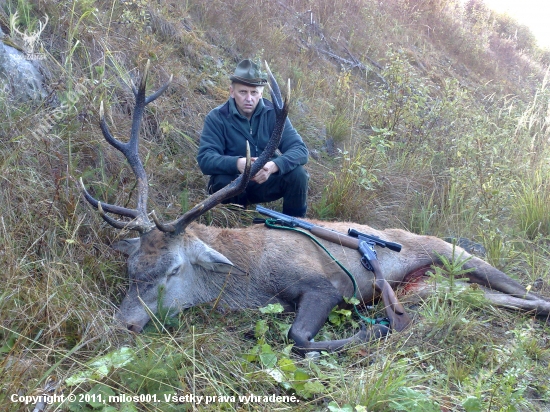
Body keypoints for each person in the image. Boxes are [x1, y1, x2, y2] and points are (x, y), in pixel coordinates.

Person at [197, 59, 309, 217]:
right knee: (221, 181)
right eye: (243, 92)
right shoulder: (217, 117)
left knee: (298, 175)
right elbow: (205, 159)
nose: (249, 98)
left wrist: (272, 166)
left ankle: (295, 226)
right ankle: (234, 223)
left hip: (265, 181)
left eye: (254, 92)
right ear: (232, 91)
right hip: (234, 183)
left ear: (261, 93)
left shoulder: (274, 115)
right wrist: (238, 163)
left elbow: (300, 150)